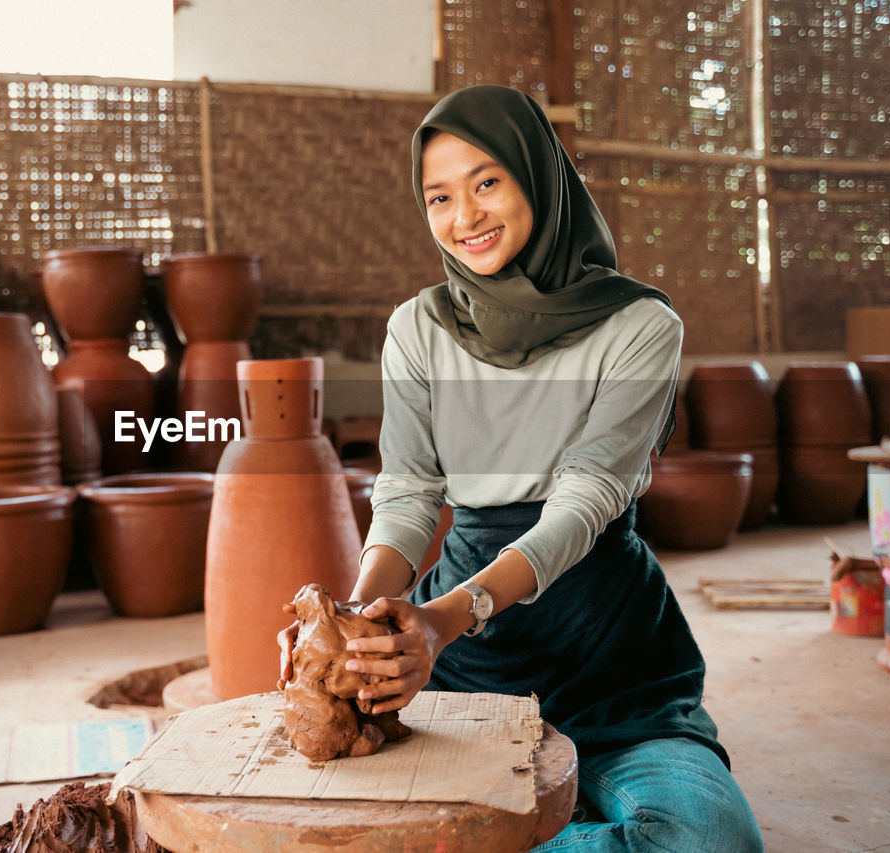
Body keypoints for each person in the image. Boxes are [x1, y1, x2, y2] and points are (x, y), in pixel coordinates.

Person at [339, 85, 764, 851]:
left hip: (614, 671)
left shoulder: (638, 325)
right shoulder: (418, 329)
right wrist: (355, 622)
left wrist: (446, 617)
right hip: (465, 677)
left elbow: (587, 499)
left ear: (540, 174)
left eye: (487, 182)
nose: (464, 216)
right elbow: (406, 492)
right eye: (439, 196)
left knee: (709, 841)